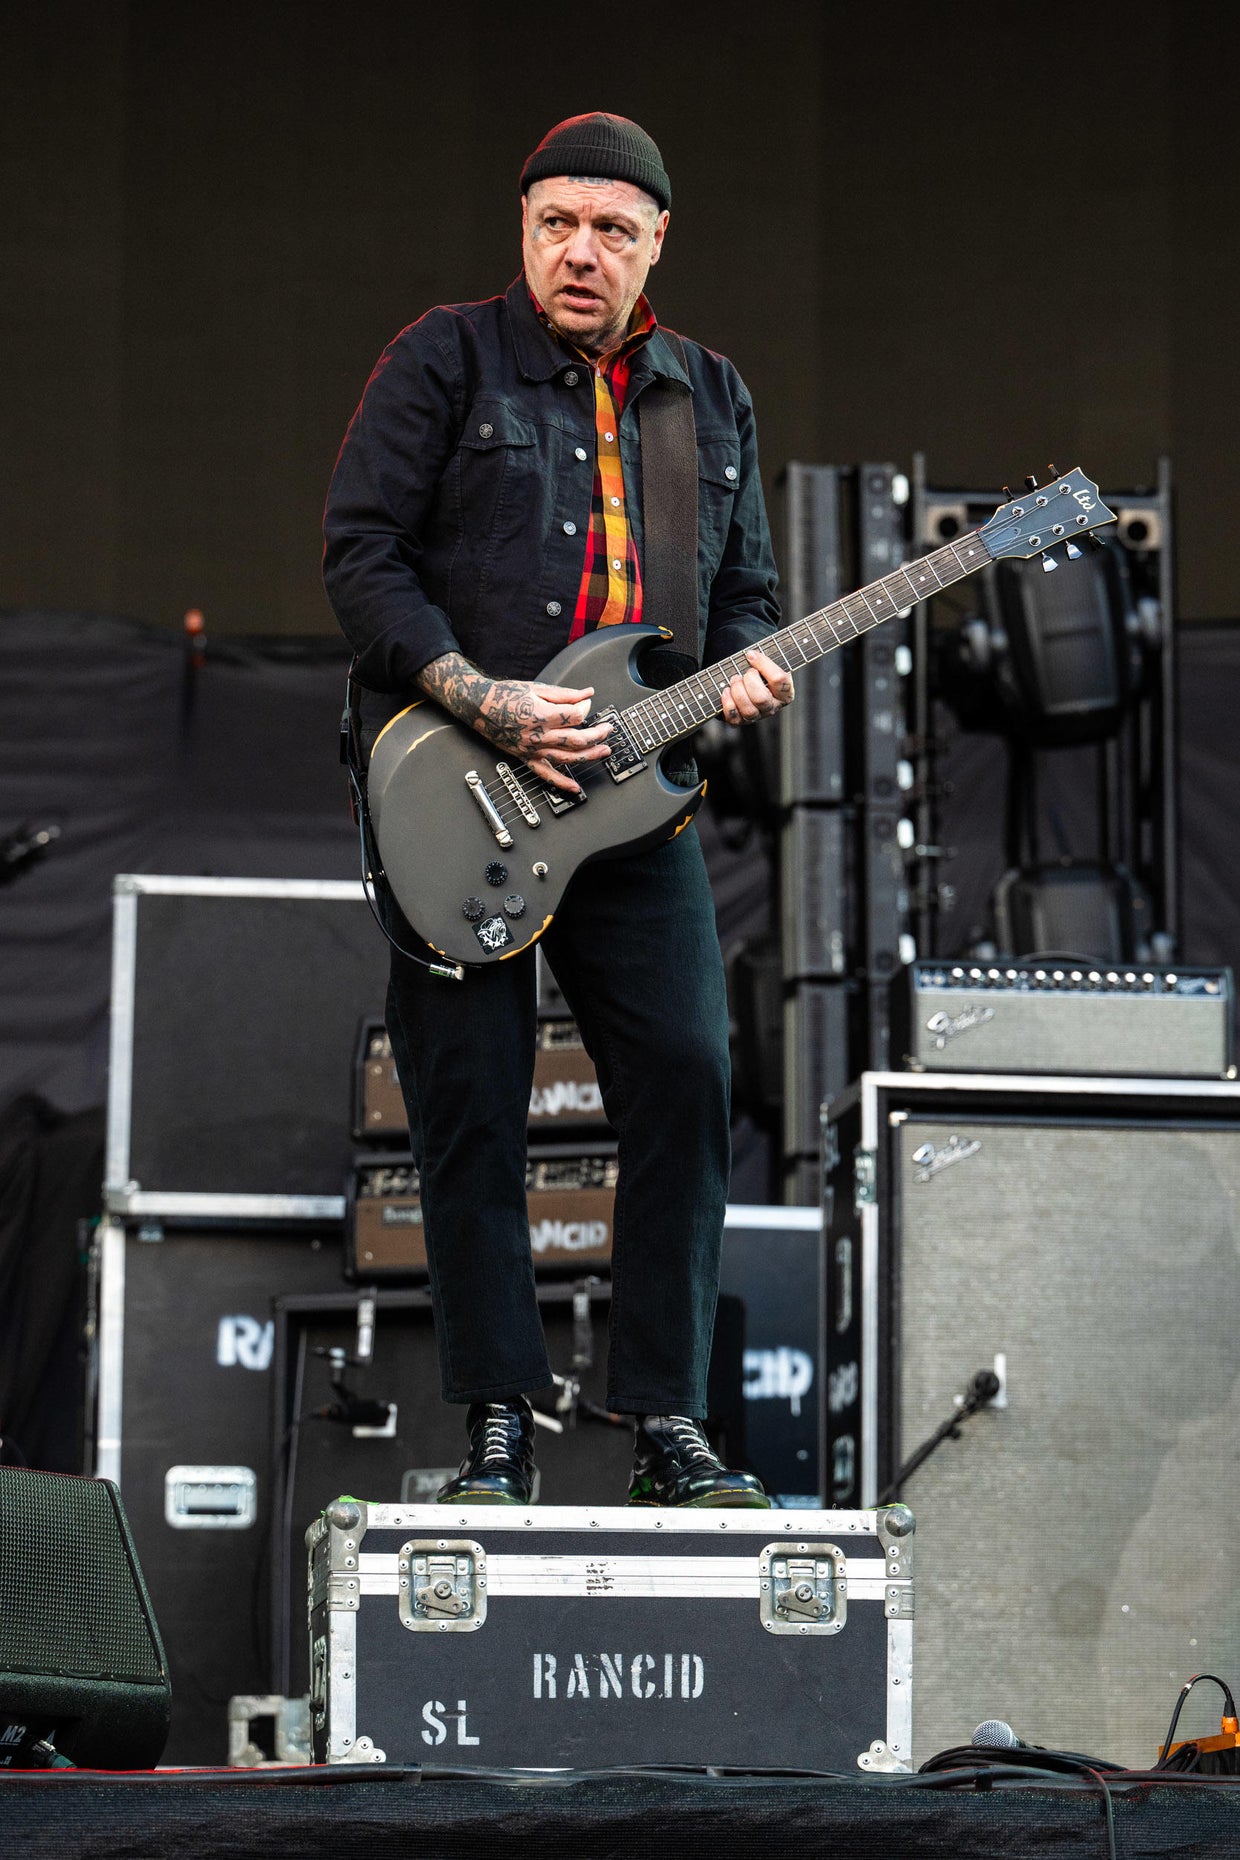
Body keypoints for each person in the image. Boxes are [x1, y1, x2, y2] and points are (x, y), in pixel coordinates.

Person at [323, 112, 792, 1507]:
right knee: (469, 1105)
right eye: (555, 226)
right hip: (462, 796)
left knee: (693, 1082)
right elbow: (360, 556)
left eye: (611, 230)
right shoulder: (444, 358)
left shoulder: (707, 397)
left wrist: (745, 674)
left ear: (658, 244)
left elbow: (745, 598)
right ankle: (498, 1427)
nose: (578, 253)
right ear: (524, 231)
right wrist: (479, 693)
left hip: (633, 807)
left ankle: (666, 1423)